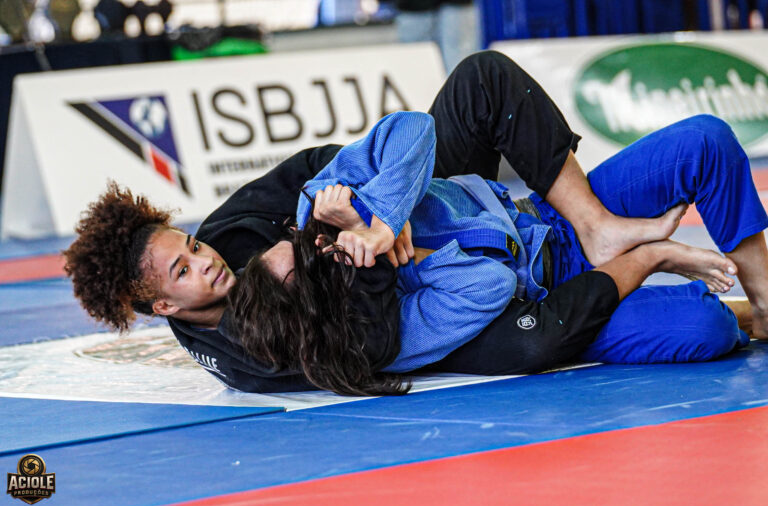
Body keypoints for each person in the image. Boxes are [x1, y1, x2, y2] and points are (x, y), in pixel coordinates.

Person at [62, 51, 748, 393]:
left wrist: (378, 211)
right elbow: (387, 343)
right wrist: (376, 266)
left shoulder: (246, 227)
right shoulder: (254, 353)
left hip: (460, 215)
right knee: (688, 329)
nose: (208, 257)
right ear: (162, 305)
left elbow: (339, 161)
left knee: (483, 81)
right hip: (453, 306)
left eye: (190, 244)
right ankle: (708, 298)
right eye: (185, 269)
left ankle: (605, 230)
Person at [225, 109, 765, 395]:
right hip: (547, 296)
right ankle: (662, 261)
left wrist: (380, 216)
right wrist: (398, 259)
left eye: (294, 245)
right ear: (317, 297)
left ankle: (763, 303)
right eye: (303, 260)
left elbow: (414, 128)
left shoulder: (321, 215)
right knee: (705, 329)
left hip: (547, 220)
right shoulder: (380, 330)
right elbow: (492, 286)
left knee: (706, 142)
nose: (309, 245)